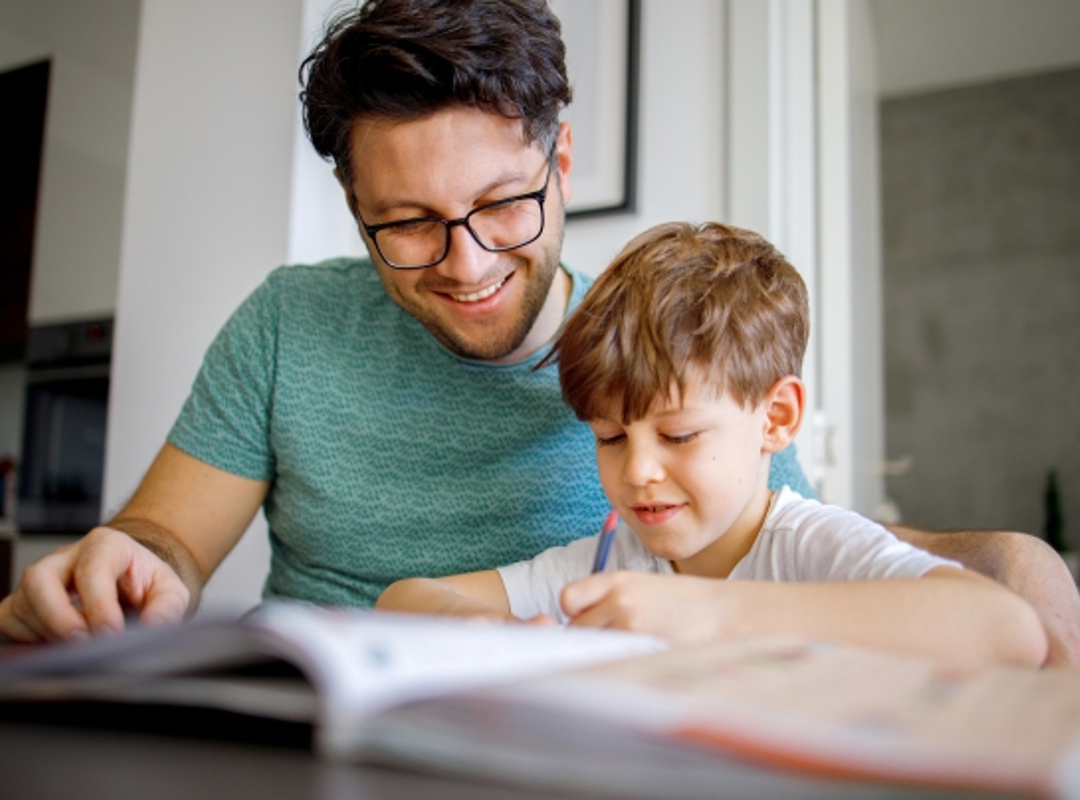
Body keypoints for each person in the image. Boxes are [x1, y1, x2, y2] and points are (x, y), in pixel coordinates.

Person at [0, 0, 1076, 664]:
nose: (465, 263)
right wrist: (123, 564)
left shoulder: (665, 349)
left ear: (561, 168)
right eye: (409, 224)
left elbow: (785, 553)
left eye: (502, 204)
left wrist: (1004, 560)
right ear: (355, 208)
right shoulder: (287, 321)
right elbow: (169, 543)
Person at [376, 222, 1047, 668]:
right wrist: (491, 633)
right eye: (610, 438)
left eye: (679, 435)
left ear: (776, 418)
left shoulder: (810, 545)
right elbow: (403, 599)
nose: (637, 471)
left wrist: (709, 611)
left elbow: (1006, 630)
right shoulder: (611, 563)